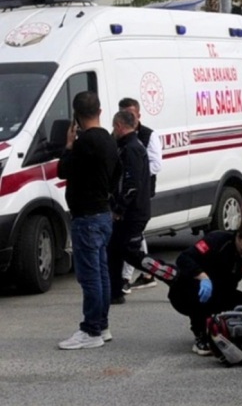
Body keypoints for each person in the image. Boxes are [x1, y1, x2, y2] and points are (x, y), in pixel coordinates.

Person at [57, 91, 120, 350]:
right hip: (104, 212)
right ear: (100, 111)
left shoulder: (84, 143)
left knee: (90, 276)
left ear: (77, 115)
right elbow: (118, 172)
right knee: (102, 273)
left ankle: (91, 329)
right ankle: (102, 325)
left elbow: (63, 170)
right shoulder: (108, 138)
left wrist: (69, 145)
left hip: (86, 216)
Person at [167, 215, 242, 355]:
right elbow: (184, 258)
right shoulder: (218, 240)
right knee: (201, 294)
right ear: (238, 236)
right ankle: (200, 334)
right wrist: (202, 277)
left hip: (221, 291)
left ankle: (227, 330)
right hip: (190, 289)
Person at [107, 110, 177, 305]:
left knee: (132, 254)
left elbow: (131, 185)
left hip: (133, 212)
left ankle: (169, 274)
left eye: (114, 127)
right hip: (133, 210)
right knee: (115, 250)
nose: (113, 131)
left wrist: (119, 209)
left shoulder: (131, 149)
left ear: (120, 126)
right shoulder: (129, 146)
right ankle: (115, 291)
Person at [117, 98, 163, 292]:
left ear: (138, 115)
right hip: (127, 193)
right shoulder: (119, 137)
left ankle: (126, 278)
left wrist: (138, 171)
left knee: (130, 240)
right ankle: (147, 274)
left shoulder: (148, 136)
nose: (129, 117)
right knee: (135, 237)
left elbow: (156, 165)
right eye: (124, 114)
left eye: (132, 114)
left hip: (140, 193)